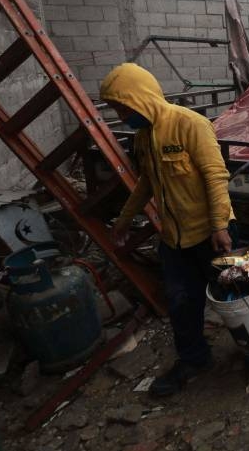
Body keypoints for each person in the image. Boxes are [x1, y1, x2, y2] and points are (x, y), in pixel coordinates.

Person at [101, 63, 237, 397]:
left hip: (212, 234)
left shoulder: (190, 124)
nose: (121, 117)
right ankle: (194, 360)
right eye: (118, 110)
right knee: (180, 302)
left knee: (235, 298)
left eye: (124, 108)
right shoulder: (144, 138)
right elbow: (146, 182)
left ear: (141, 99)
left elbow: (214, 175)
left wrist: (219, 226)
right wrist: (123, 219)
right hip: (174, 240)